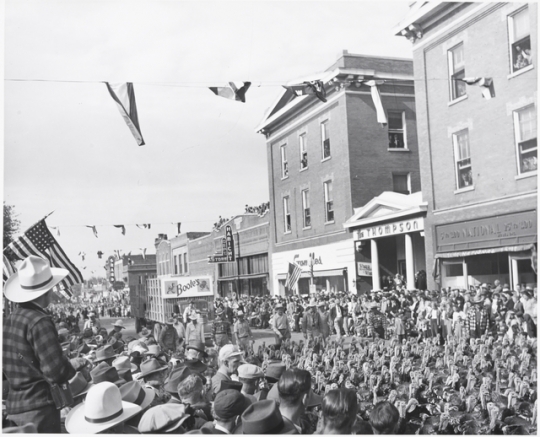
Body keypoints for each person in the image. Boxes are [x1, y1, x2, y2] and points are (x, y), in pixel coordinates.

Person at [3, 256, 77, 433]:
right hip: (39, 408)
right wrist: (72, 366)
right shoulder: (40, 321)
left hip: (14, 405)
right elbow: (56, 371)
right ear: (47, 291)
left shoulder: (10, 319)